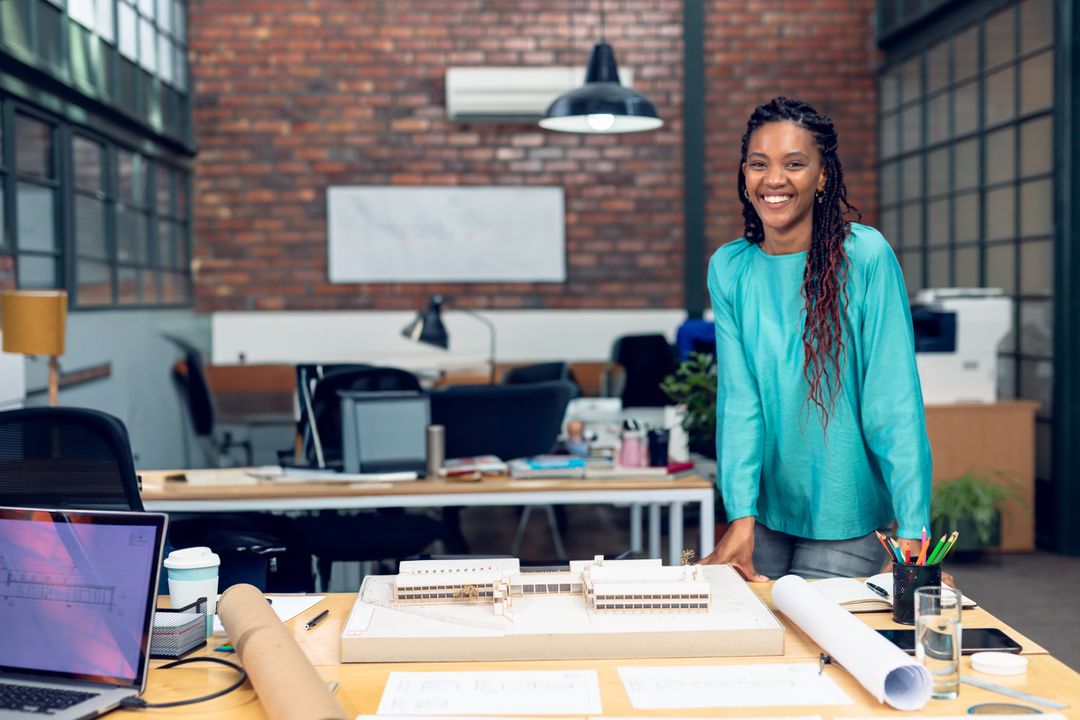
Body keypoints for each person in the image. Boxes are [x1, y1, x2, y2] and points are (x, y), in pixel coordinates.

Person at [699, 97, 932, 580]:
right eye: (759, 164)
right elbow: (740, 403)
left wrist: (913, 526)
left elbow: (892, 400)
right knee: (749, 628)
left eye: (794, 164)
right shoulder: (730, 268)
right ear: (744, 173)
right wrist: (739, 513)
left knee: (816, 631)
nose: (774, 179)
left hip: (845, 512)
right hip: (764, 512)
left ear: (822, 176)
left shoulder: (865, 257)